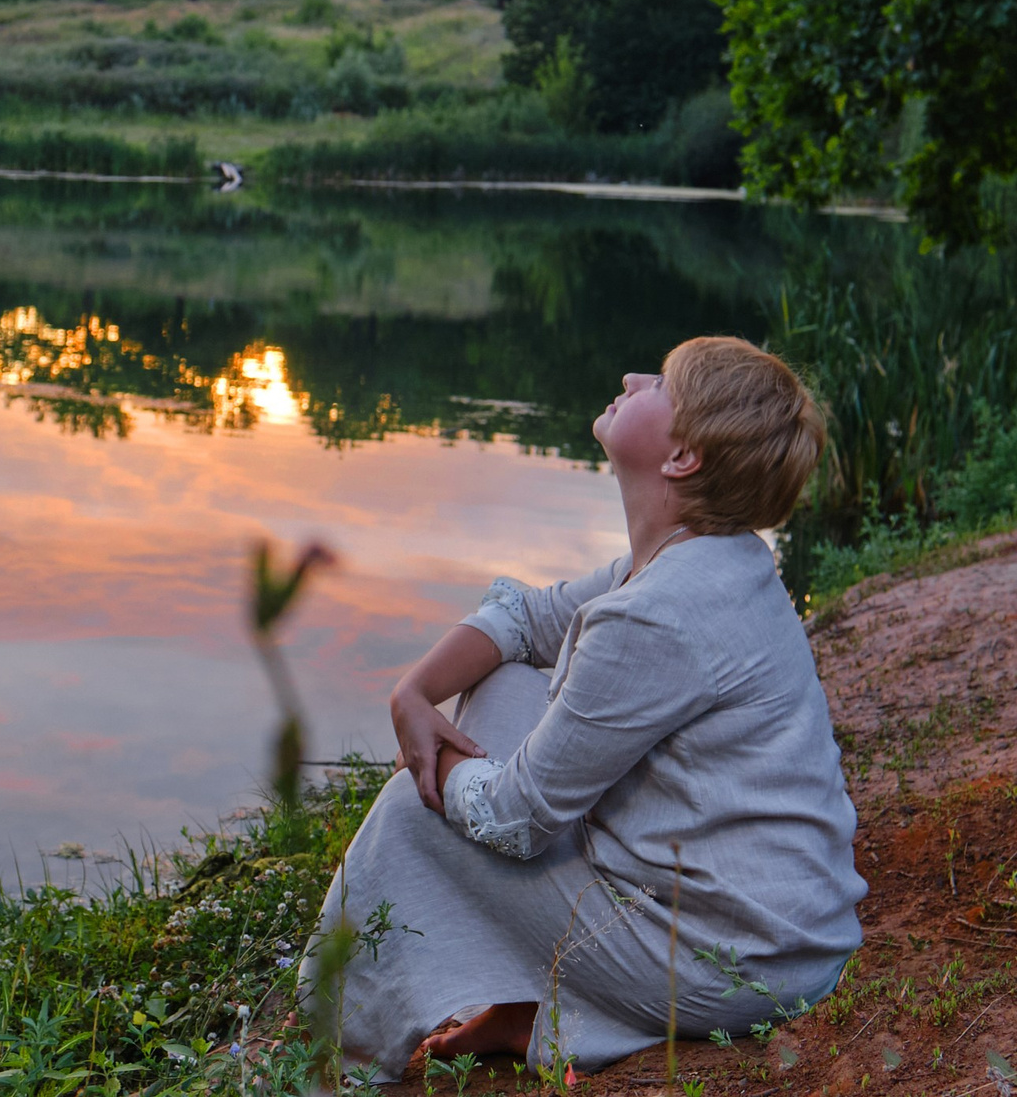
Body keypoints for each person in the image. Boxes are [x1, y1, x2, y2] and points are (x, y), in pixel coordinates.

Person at [300, 336, 865, 1080]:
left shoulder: (658, 616)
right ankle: (517, 1007)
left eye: (659, 382)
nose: (631, 377)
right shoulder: (702, 558)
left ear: (681, 458)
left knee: (415, 815)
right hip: (783, 931)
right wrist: (415, 691)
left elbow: (520, 818)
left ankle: (333, 1059)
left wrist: (436, 768)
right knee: (504, 687)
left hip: (733, 963)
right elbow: (529, 620)